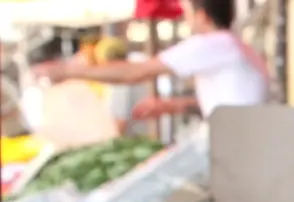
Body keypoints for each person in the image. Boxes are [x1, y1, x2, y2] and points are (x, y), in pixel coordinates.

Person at [31, 0, 269, 121]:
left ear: (201, 14)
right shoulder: (236, 47)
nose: (185, 19)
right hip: (245, 143)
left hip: (239, 148)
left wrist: (67, 72)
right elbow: (233, 101)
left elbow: (135, 72)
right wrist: (174, 105)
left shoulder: (212, 43)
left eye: (186, 11)